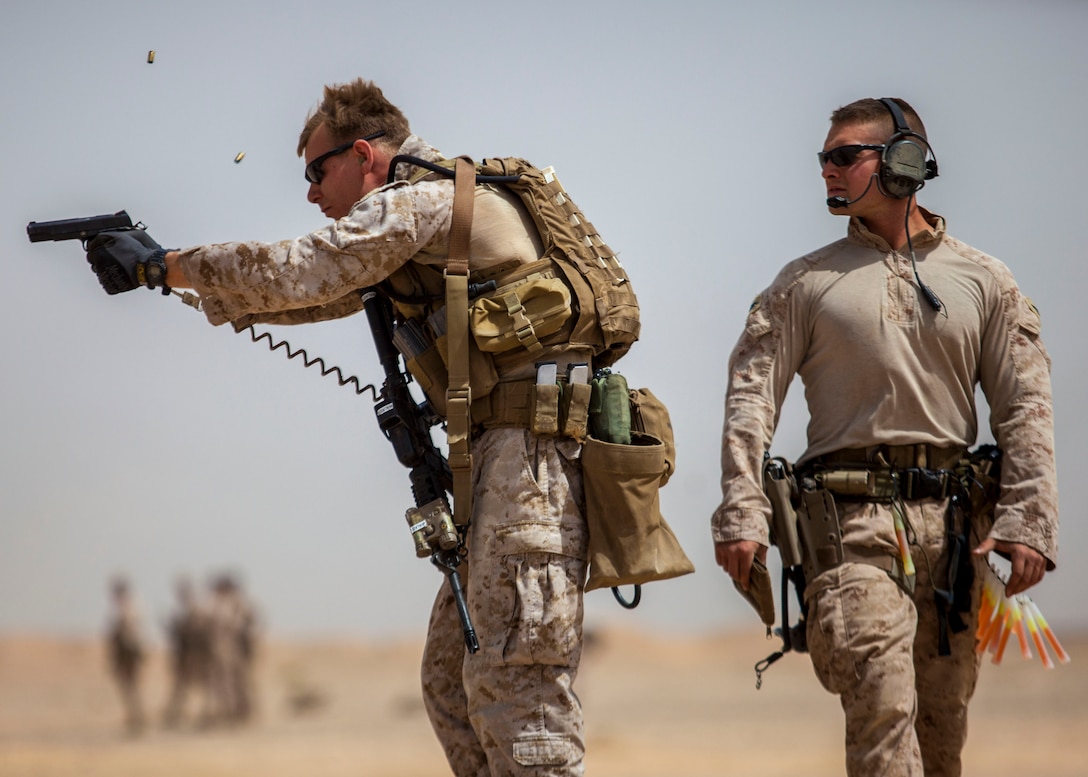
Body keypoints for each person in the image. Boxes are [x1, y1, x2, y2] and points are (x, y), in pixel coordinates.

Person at [82, 78, 639, 775]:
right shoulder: (415, 220)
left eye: (319, 171)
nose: (313, 193)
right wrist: (173, 280)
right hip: (502, 466)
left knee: (519, 699)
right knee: (452, 685)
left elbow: (307, 269)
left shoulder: (423, 202)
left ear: (366, 154)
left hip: (530, 466)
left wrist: (169, 265)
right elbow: (319, 294)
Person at [711, 97, 1058, 777]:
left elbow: (1026, 407)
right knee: (881, 711)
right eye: (824, 159)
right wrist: (740, 509)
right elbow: (749, 402)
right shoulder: (804, 284)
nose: (828, 173)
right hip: (851, 534)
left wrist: (1030, 519)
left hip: (957, 540)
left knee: (940, 739)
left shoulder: (985, 280)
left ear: (903, 161)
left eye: (845, 156)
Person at [162, 576, 214, 728]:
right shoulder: (185, 610)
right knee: (181, 686)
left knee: (203, 686)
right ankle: (175, 714)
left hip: (197, 655)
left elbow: (201, 632)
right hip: (186, 655)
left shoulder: (196, 609)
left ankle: (206, 713)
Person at [105, 576, 147, 734]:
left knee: (130, 686)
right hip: (129, 652)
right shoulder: (132, 606)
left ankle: (136, 716)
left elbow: (124, 634)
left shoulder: (127, 608)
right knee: (130, 686)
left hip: (128, 652)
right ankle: (135, 715)